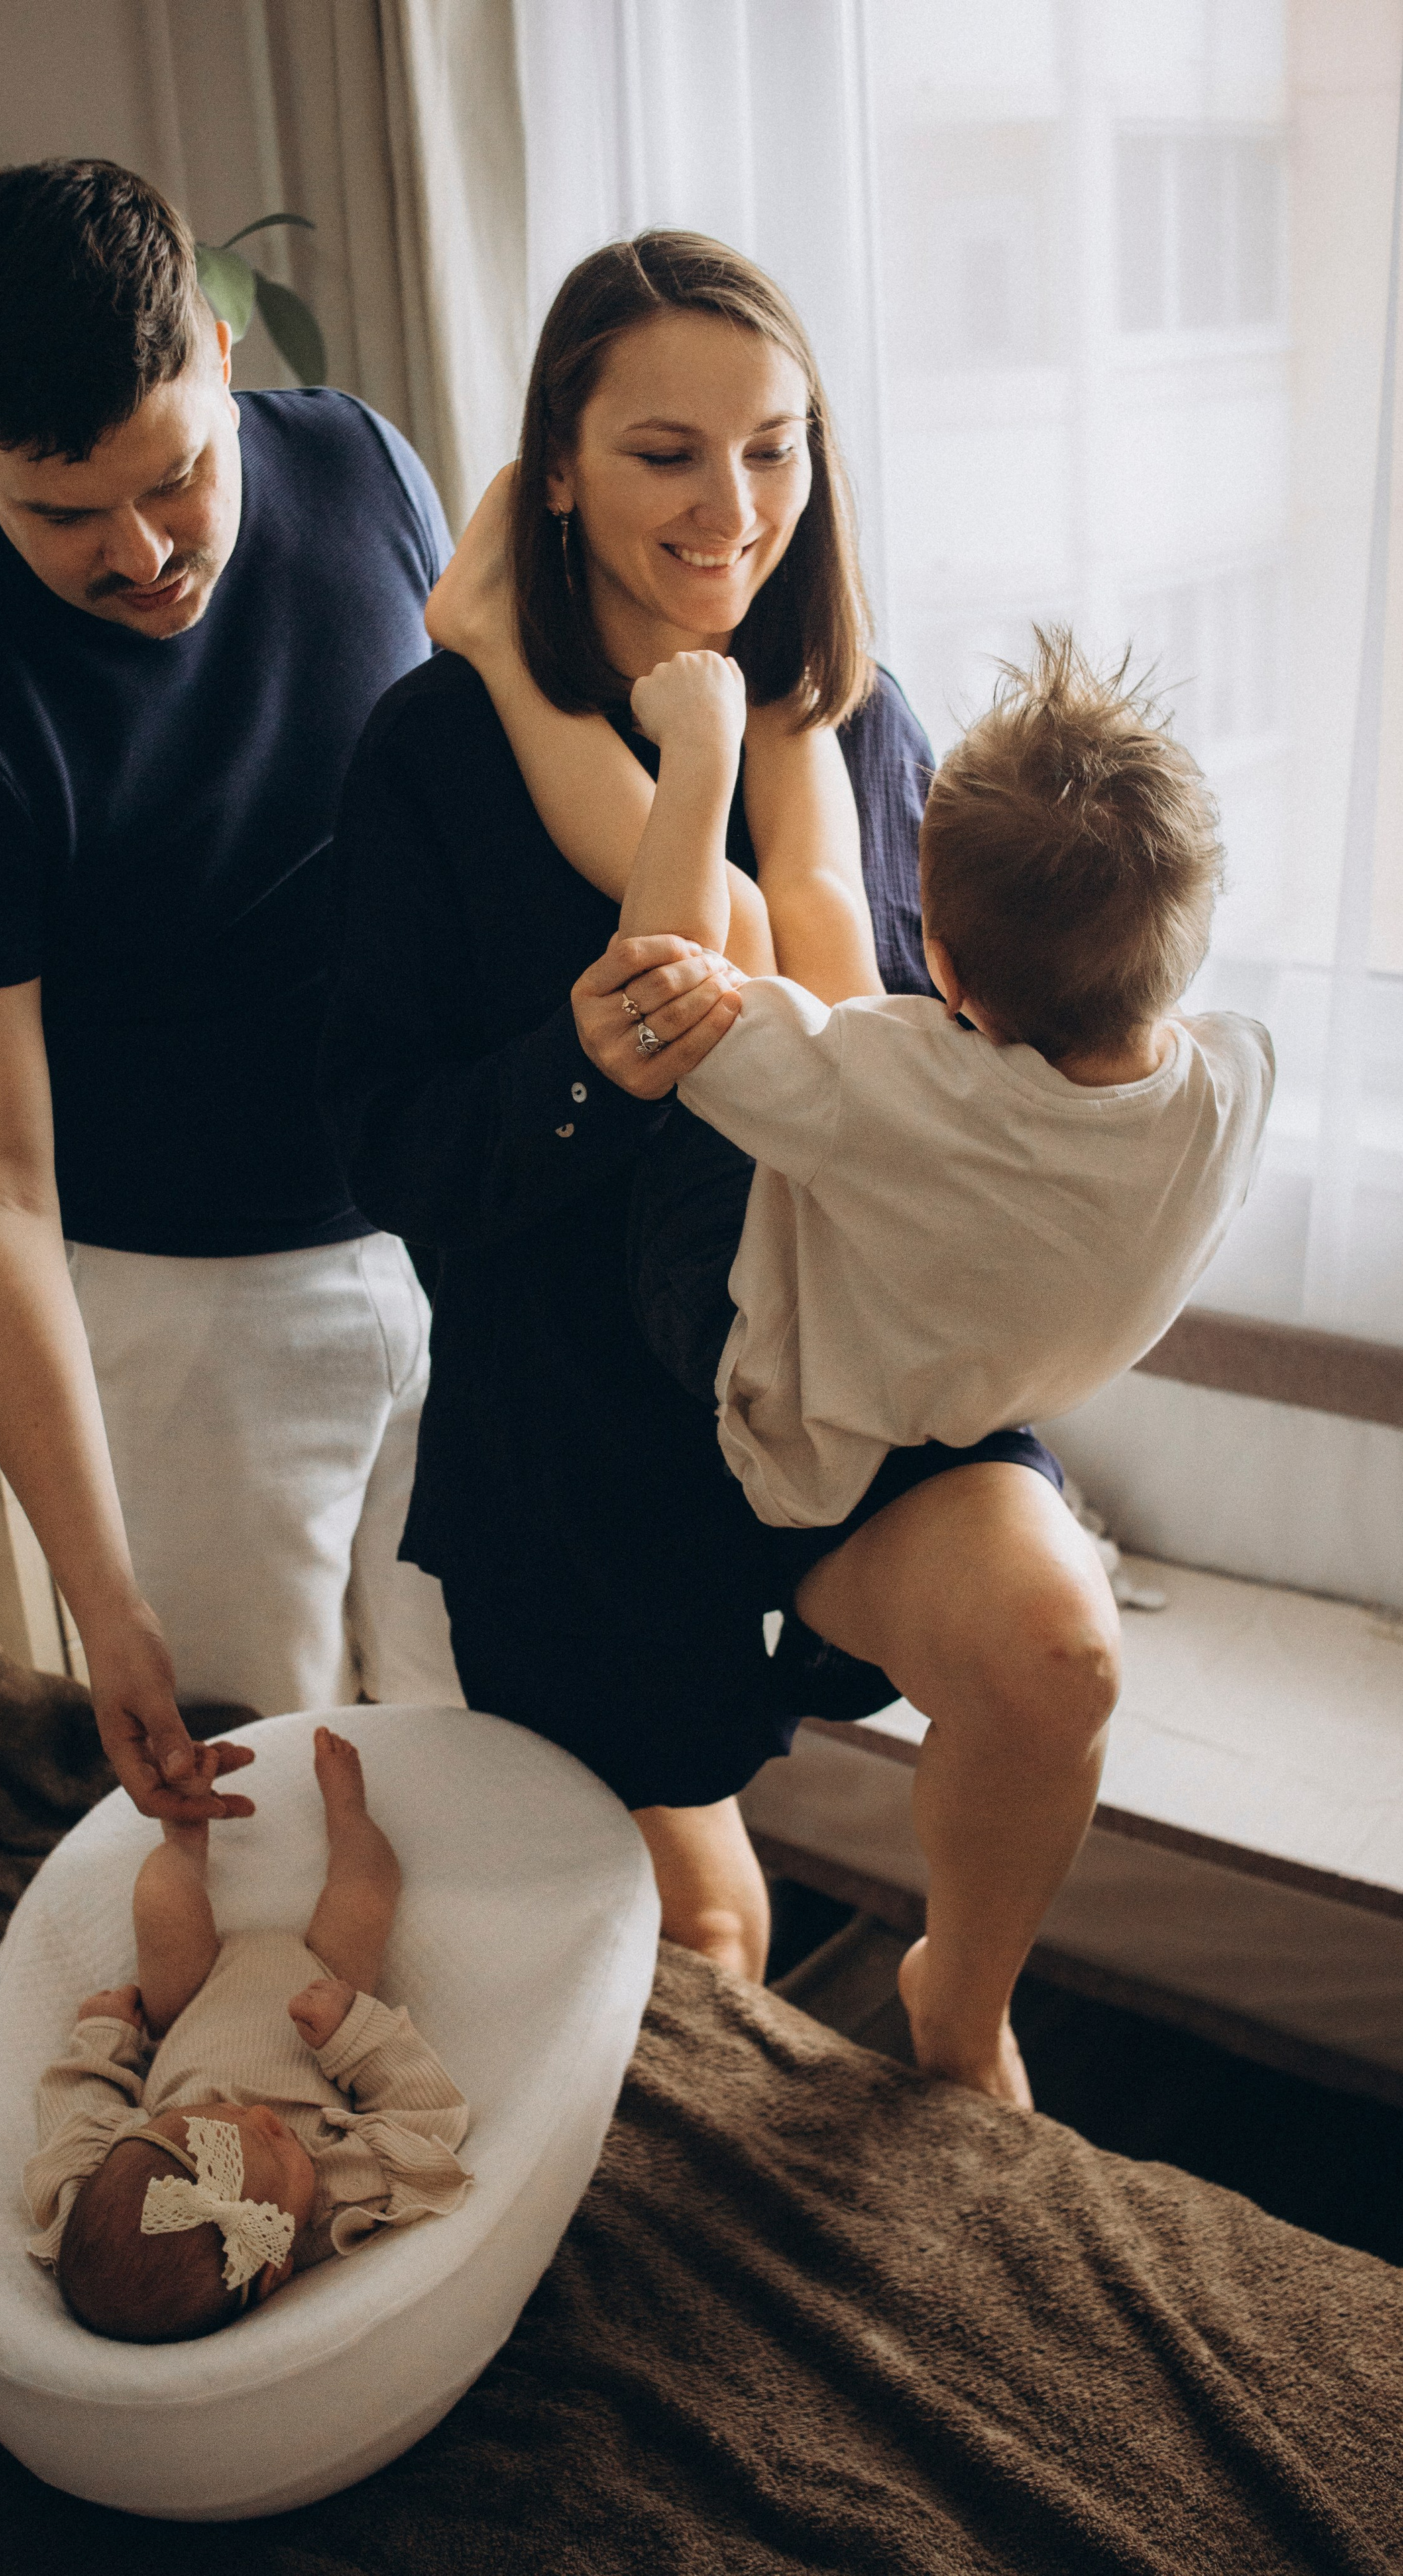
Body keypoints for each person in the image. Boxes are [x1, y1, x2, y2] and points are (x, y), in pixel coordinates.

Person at [321, 231, 1016, 2020]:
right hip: (576, 1433)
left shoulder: (861, 725)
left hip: (841, 1364)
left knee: (1059, 1643)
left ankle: (967, 2012)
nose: (734, 504)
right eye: (665, 453)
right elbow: (388, 1149)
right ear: (557, 461)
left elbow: (869, 1022)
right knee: (703, 1942)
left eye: (774, 446)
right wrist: (572, 1071)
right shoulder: (426, 755)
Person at [537, 629, 1272, 2104]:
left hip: (752, 1343)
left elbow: (652, 997)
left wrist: (697, 748)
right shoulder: (1232, 1080)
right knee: (801, 936)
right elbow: (946, 1077)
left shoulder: (901, 1092)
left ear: (940, 970)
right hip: (937, 1327)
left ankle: (646, 691)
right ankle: (794, 693)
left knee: (740, 917)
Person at [0, 160, 462, 1833]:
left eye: (176, 477)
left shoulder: (360, 464)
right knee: (263, 1803)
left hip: (450, 1211)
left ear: (213, 340)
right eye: (63, 514)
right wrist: (101, 1589)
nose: (141, 553)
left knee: (489, 1752)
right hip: (190, 1318)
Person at [24, 1726, 471, 2343]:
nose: (260, 2115)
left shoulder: (132, 2173)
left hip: (188, 2000)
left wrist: (104, 2036)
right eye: (281, 2140)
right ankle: (350, 1816)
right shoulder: (340, 2195)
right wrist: (356, 2034)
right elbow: (426, 2117)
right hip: (321, 1979)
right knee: (366, 1893)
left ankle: (185, 1836)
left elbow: (79, 2120)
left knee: (160, 1897)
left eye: (222, 2113)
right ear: (274, 2268)